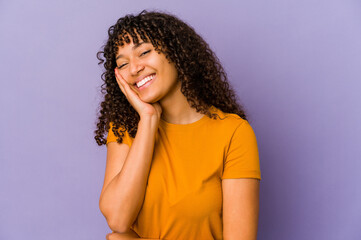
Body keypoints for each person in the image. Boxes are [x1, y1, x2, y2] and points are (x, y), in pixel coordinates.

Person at [94, 10, 261, 240]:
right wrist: (149, 120)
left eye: (144, 52)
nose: (134, 69)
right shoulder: (125, 127)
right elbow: (118, 219)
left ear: (175, 52)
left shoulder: (233, 133)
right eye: (122, 64)